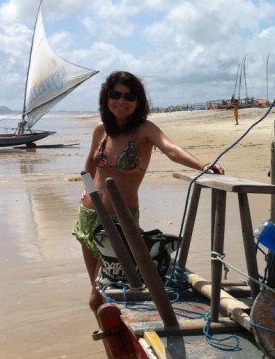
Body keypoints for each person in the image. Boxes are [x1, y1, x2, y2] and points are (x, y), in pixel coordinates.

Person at [72, 71, 224, 312]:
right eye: (115, 94)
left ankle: (123, 338)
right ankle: (112, 344)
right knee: (95, 294)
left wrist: (201, 165)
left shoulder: (145, 130)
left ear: (138, 102)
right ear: (106, 98)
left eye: (129, 96)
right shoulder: (101, 130)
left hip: (122, 222)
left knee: (120, 290)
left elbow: (171, 149)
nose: (121, 101)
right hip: (90, 216)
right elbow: (88, 167)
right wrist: (87, 190)